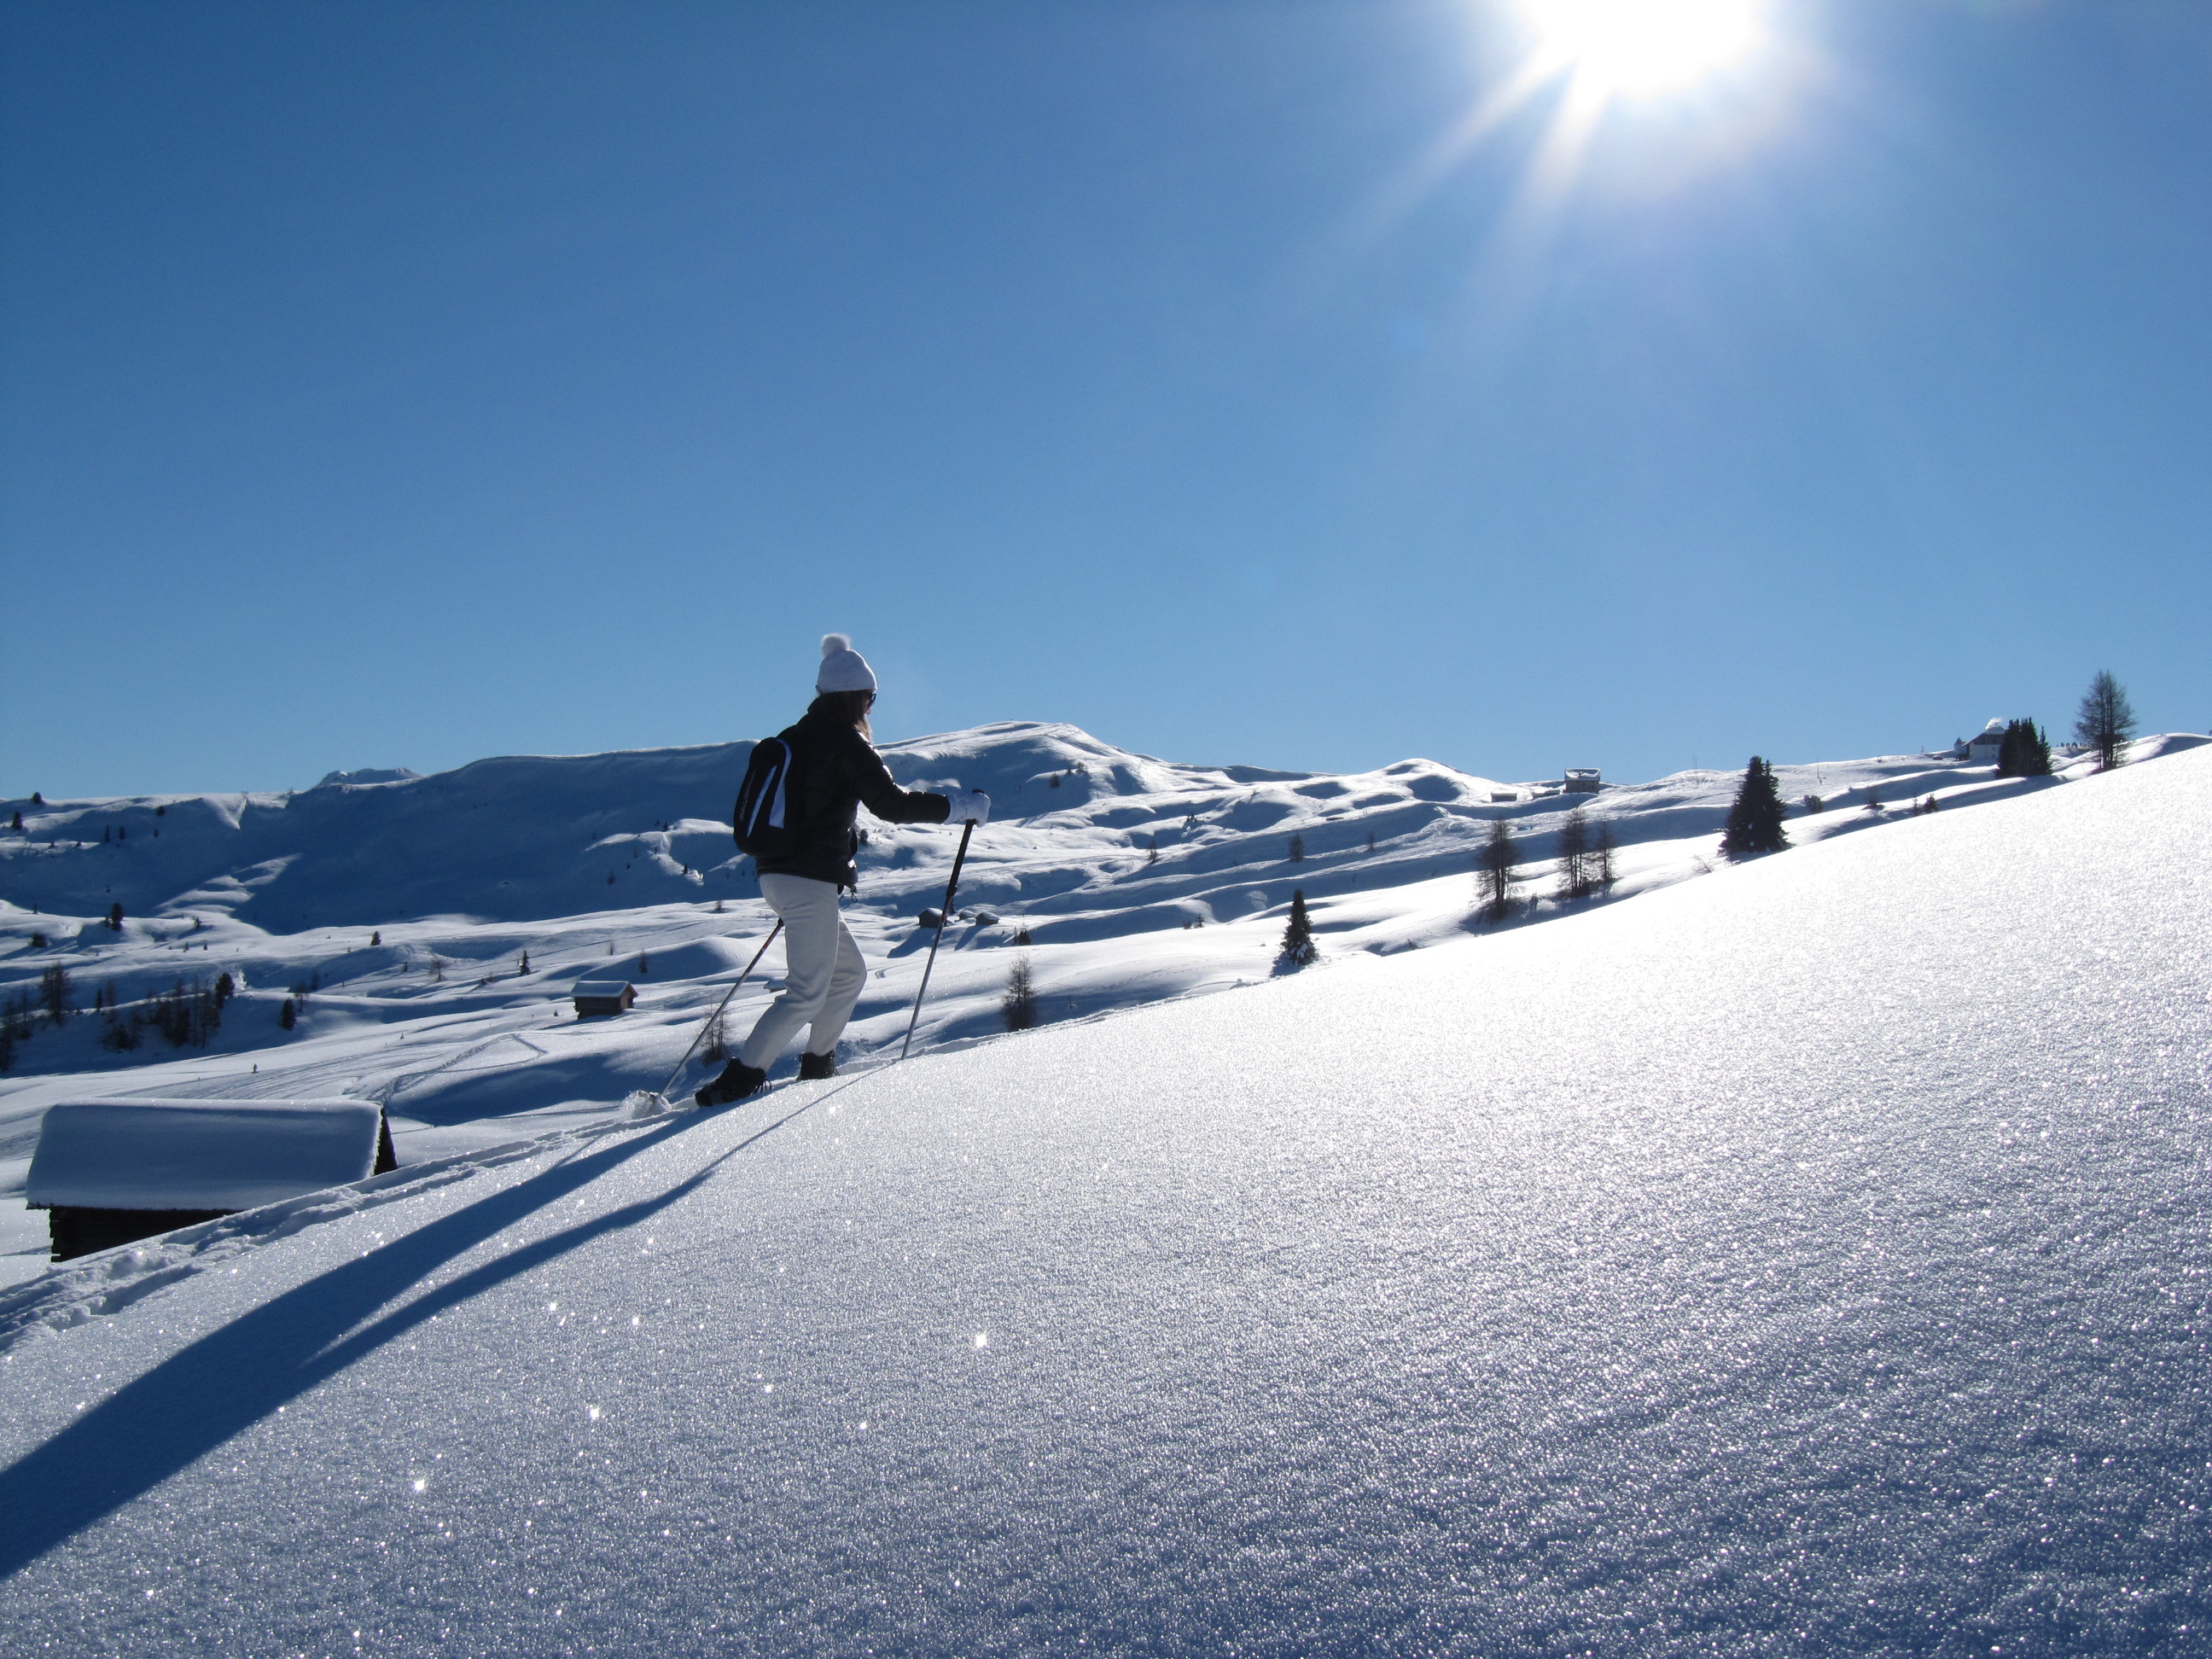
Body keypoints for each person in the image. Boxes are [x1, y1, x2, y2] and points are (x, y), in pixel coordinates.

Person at [697, 635, 989, 1106]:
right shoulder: (844, 742)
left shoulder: (796, 736)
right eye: (871, 698)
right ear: (859, 697)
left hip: (782, 875)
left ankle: (818, 1065)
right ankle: (738, 1082)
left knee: (849, 973)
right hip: (806, 881)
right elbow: (892, 805)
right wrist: (961, 808)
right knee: (806, 992)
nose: (872, 707)